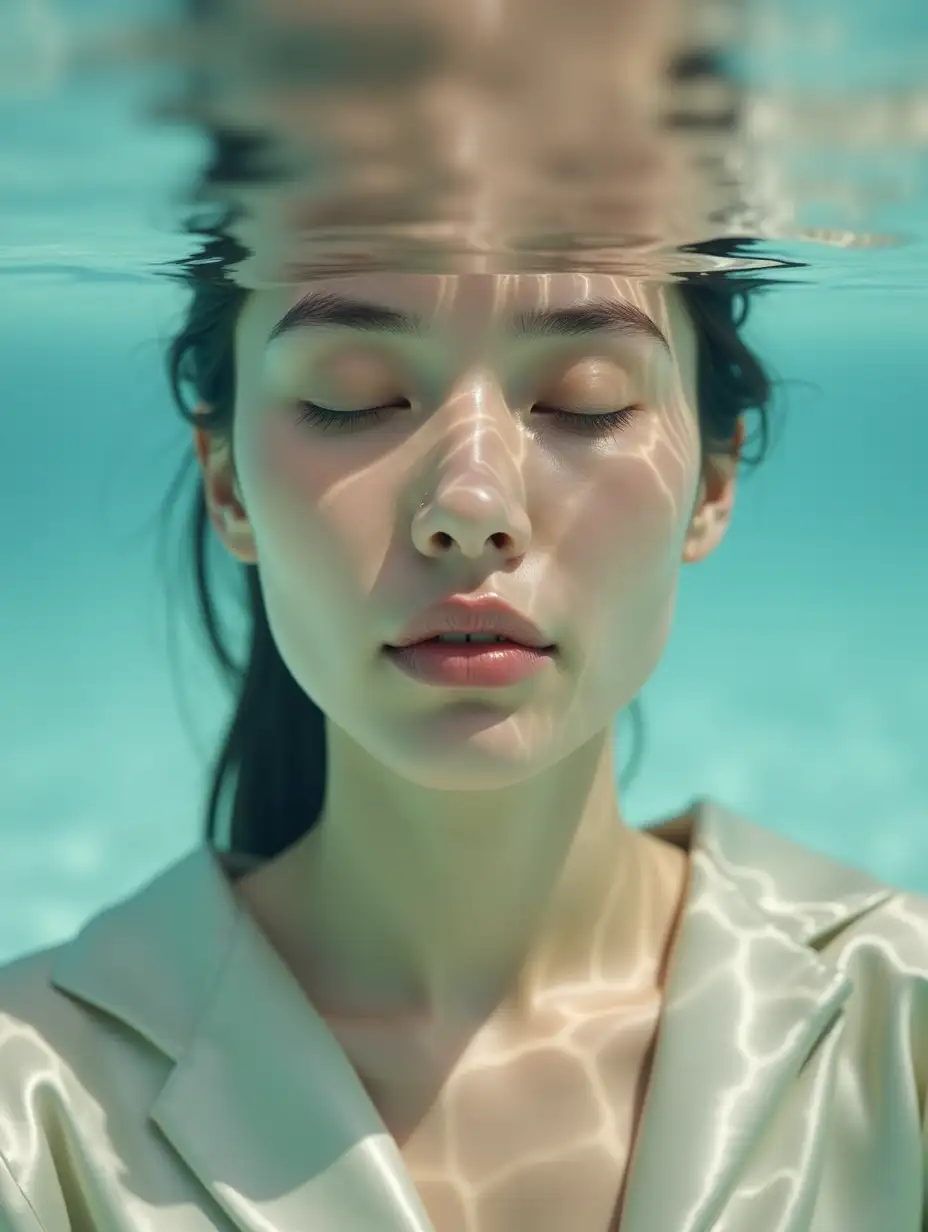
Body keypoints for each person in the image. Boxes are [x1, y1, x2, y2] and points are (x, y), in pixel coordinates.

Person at [2, 82, 928, 1232]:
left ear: (715, 480)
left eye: (583, 401)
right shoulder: (31, 1101)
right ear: (228, 480)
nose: (472, 506)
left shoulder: (902, 1021)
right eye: (357, 398)